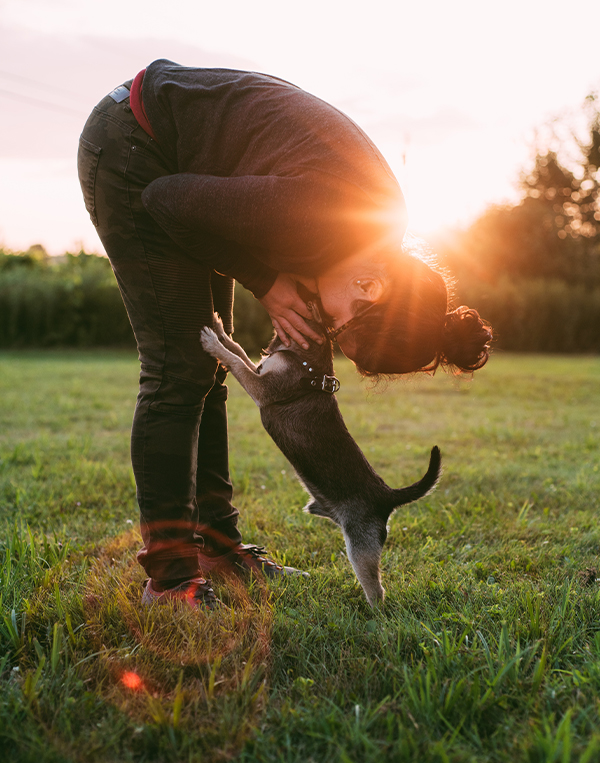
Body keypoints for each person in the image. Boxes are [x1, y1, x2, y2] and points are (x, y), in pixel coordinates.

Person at [78, 60, 491, 610]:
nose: (325, 324)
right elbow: (163, 199)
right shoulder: (321, 217)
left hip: (176, 158)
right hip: (135, 144)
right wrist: (265, 281)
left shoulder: (372, 230)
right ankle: (171, 581)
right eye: (340, 323)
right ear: (371, 287)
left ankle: (219, 550)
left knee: (208, 371)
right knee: (179, 367)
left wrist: (271, 277)